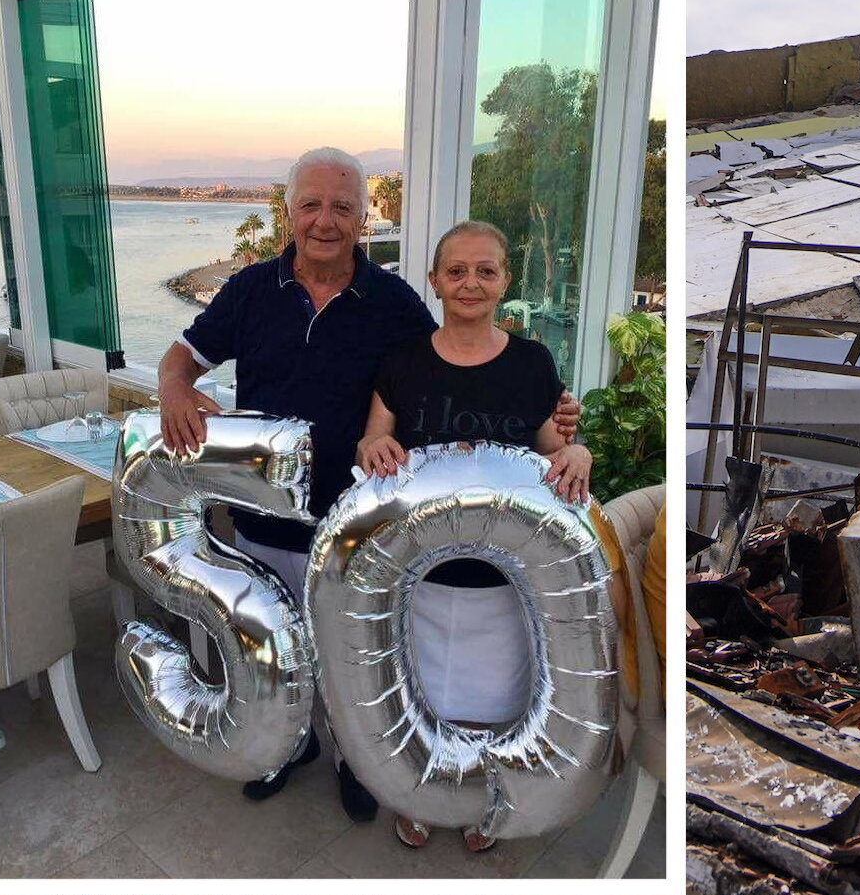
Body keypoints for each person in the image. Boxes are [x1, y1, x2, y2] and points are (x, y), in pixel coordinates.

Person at [155, 147, 578, 822]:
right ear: (289, 212)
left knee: (354, 661)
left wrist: (543, 415)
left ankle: (356, 759)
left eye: (343, 208)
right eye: (312, 205)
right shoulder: (248, 291)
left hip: (358, 529)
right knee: (276, 653)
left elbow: (447, 368)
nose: (326, 221)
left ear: (362, 219)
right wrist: (173, 385)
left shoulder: (392, 301)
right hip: (263, 518)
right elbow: (186, 354)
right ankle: (284, 749)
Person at [354, 219, 592, 852]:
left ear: (505, 282)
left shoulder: (532, 361)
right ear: (433, 281)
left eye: (486, 271)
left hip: (505, 583)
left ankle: (489, 802)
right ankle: (422, 798)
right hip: (422, 577)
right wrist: (375, 444)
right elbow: (372, 438)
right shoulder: (402, 361)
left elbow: (554, 450)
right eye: (456, 271)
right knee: (423, 695)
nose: (470, 283)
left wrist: (581, 454)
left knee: (499, 700)